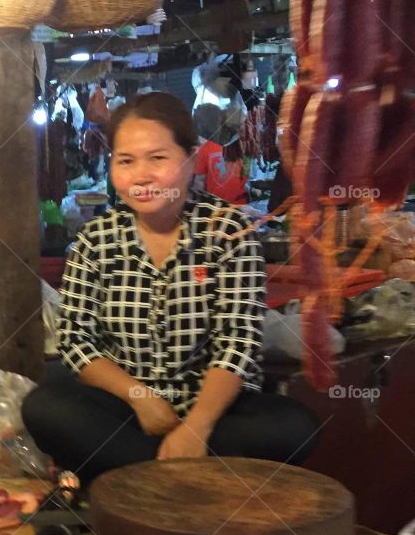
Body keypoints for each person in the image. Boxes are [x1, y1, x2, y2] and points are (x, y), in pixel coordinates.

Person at [21, 92, 318, 483]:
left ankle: (136, 475)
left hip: (215, 413)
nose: (141, 175)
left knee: (294, 426)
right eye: (126, 161)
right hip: (127, 411)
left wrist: (196, 427)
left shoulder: (228, 233)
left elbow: (238, 343)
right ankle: (182, 475)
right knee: (44, 407)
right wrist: (141, 399)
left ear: (190, 159)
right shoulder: (95, 240)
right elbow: (77, 341)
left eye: (157, 158)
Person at [193, 103, 247, 205]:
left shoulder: (205, 149)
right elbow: (245, 178)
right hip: (239, 206)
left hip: (216, 209)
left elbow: (198, 184)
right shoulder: (243, 147)